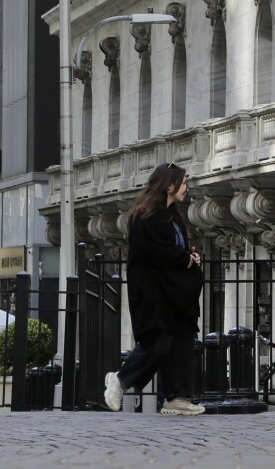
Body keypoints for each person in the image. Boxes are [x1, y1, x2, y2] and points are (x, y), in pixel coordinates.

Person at [101, 164, 205, 416]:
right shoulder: (145, 216)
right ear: (169, 185)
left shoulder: (173, 216)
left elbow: (173, 248)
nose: (186, 187)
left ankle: (176, 397)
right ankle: (121, 380)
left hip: (175, 293)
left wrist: (189, 255)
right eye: (183, 182)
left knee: (181, 341)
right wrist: (183, 258)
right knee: (158, 342)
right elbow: (151, 252)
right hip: (154, 292)